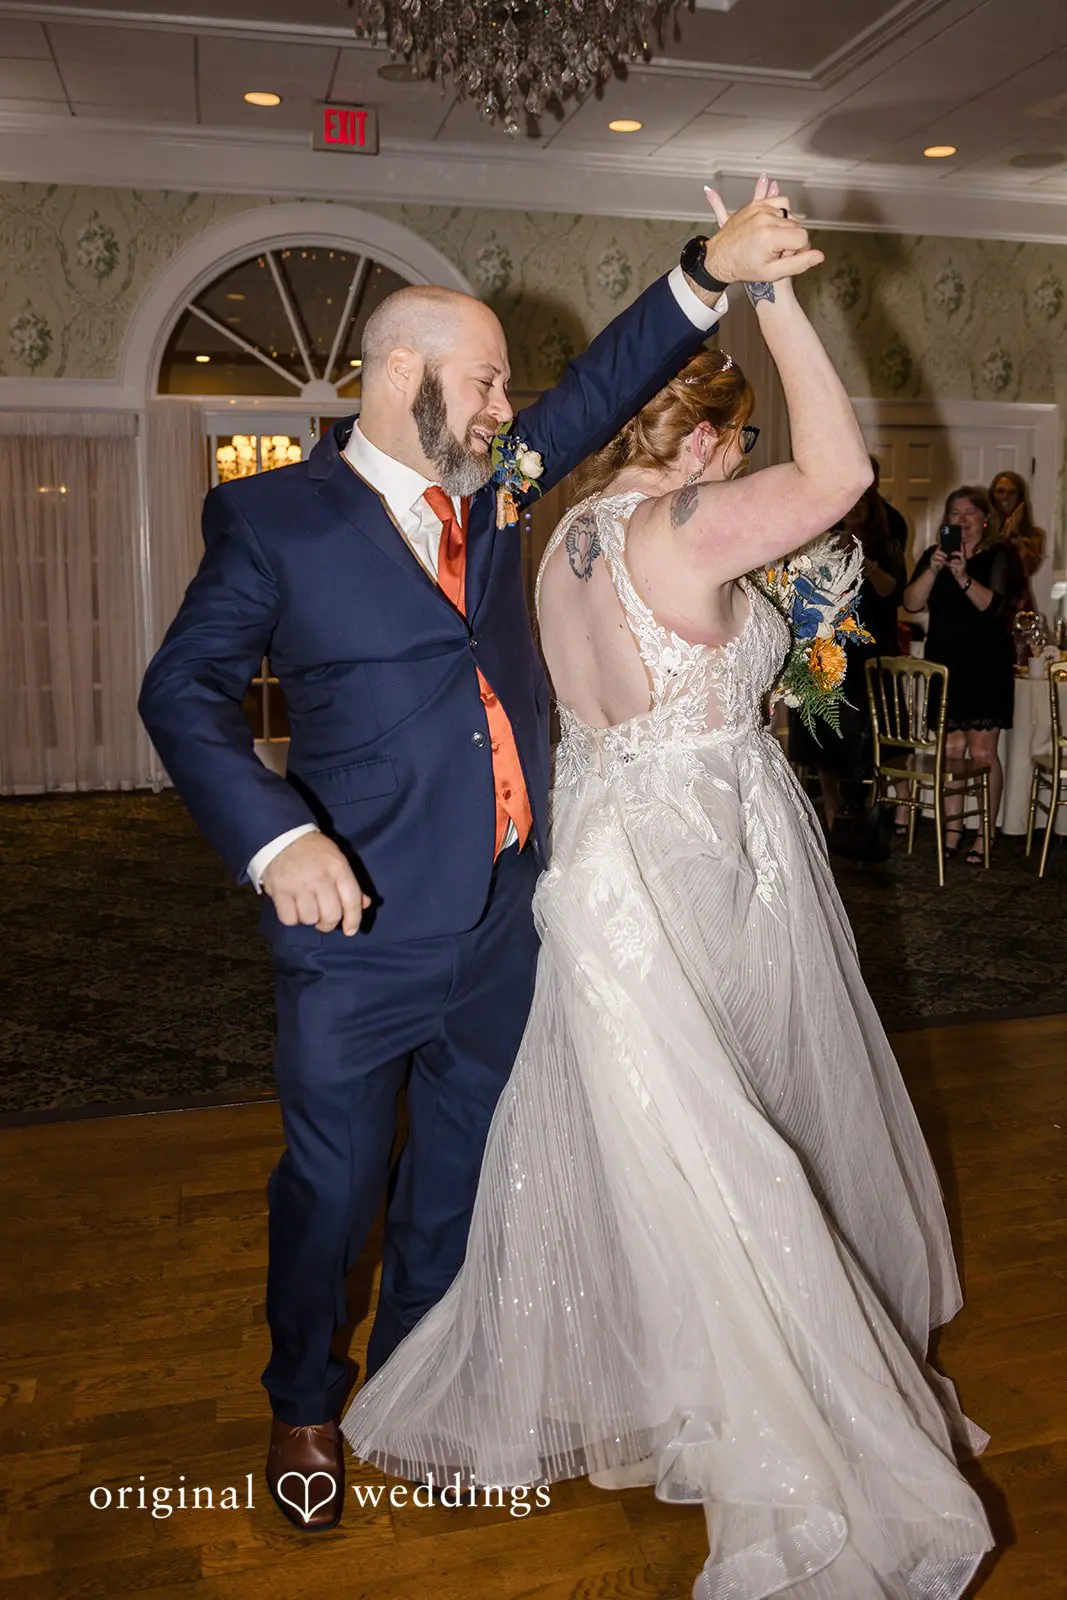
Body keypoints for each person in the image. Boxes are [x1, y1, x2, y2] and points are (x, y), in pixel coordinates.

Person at [138, 177, 816, 1532]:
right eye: (487, 382)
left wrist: (711, 270)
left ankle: (415, 1387)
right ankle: (304, 1400)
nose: (512, 409)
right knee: (333, 1187)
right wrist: (277, 840)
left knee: (457, 1167)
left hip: (509, 908)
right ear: (403, 374)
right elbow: (180, 692)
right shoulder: (277, 521)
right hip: (354, 930)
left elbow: (602, 379)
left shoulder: (497, 482)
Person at [344, 191, 993, 1597]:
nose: (740, 459)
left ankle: (672, 1380)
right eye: (731, 437)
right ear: (700, 441)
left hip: (593, 864)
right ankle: (768, 1418)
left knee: (654, 1144)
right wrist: (774, 297)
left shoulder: (552, 536)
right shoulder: (688, 531)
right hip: (703, 855)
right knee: (735, 1139)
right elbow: (837, 473)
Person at [902, 486, 1017, 865]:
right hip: (945, 667)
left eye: (970, 513)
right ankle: (952, 830)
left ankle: (986, 833)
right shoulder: (931, 557)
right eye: (955, 513)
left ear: (985, 519)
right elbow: (912, 603)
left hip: (986, 666)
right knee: (949, 752)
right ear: (947, 521)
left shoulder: (999, 555)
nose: (963, 520)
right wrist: (935, 570)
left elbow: (997, 610)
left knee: (983, 753)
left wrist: (963, 576)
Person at [789, 483, 906, 831]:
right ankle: (831, 813)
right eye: (847, 505)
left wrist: (865, 564)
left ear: (873, 508)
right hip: (831, 650)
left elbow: (893, 593)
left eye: (861, 504)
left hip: (871, 653)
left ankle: (871, 813)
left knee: (865, 739)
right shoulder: (824, 544)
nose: (853, 510)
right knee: (823, 739)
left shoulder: (886, 547)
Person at [990, 468, 1046, 614]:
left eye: (1012, 492)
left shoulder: (1034, 534)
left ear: (1019, 497)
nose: (1005, 497)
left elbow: (1028, 570)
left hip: (1018, 604)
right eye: (1000, 491)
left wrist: (1017, 539)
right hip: (987, 599)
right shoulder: (983, 529)